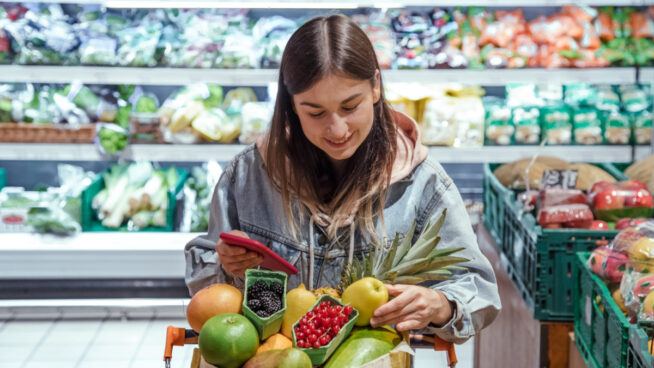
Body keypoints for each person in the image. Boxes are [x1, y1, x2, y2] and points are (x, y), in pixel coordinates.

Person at [185, 14, 500, 343]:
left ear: (375, 86)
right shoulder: (248, 175)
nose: (337, 130)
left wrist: (441, 304)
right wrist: (227, 266)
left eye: (350, 106)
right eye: (315, 112)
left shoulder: (424, 184)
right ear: (291, 105)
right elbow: (205, 288)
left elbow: (476, 287)